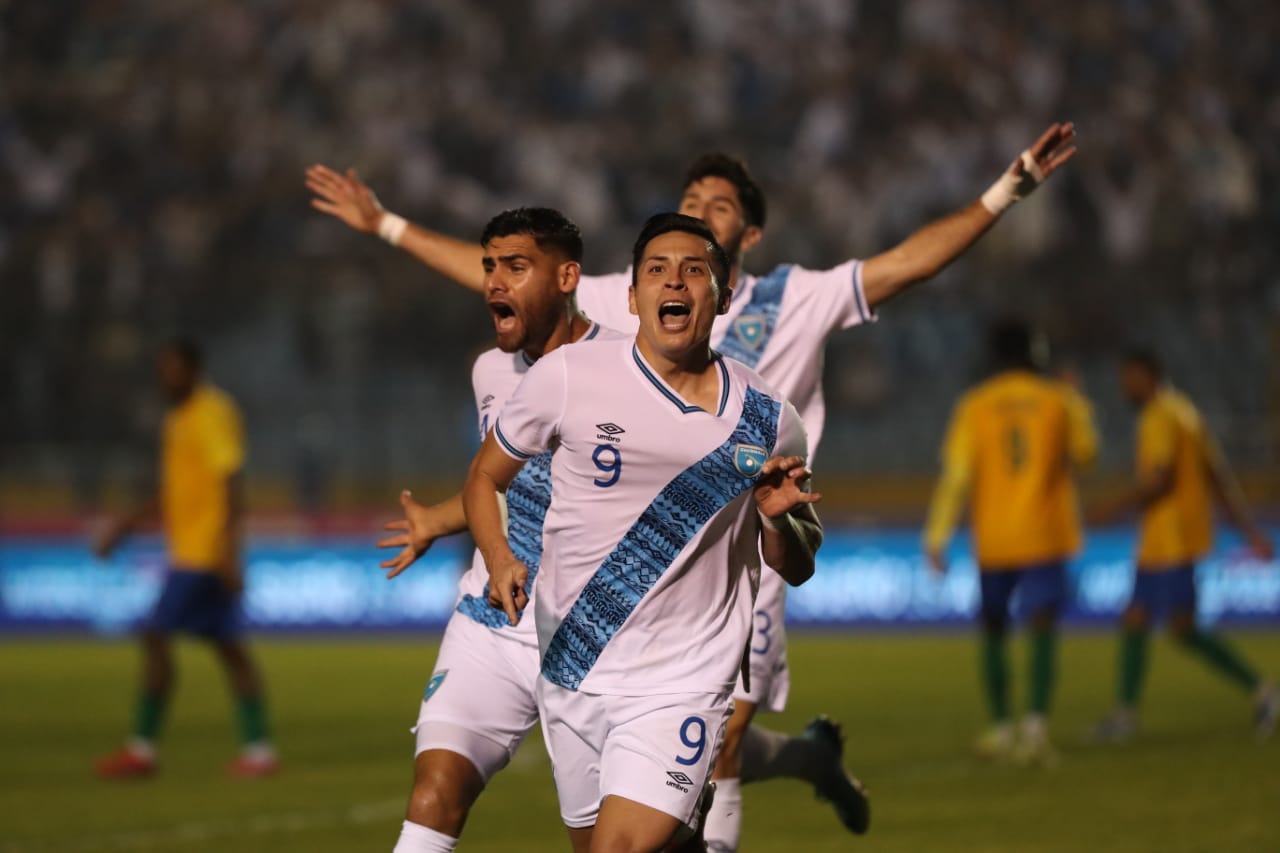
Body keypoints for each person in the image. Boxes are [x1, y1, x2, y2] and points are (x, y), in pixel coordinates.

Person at [306, 120, 1074, 848]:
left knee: (723, 742)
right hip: (587, 616)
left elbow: (909, 263)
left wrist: (1008, 188)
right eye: (687, 208)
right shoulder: (604, 332)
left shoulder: (794, 305)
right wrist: (388, 228)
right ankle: (804, 760)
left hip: (731, 557)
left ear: (740, 253)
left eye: (718, 211)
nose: (696, 219)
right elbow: (517, 288)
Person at [463, 213, 821, 853]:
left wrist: (776, 516)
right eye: (656, 270)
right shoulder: (569, 376)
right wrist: (498, 556)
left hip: (685, 676)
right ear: (633, 298)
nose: (673, 282)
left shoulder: (769, 419)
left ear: (723, 296)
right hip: (575, 659)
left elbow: (795, 564)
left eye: (693, 270)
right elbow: (484, 479)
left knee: (618, 849)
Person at [379, 207, 629, 853]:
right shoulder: (489, 371)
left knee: (606, 841)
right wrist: (455, 528)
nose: (494, 280)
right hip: (494, 615)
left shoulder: (627, 370)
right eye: (490, 265)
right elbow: (499, 480)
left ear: (567, 276)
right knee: (435, 792)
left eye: (516, 266)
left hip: (590, 636)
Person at [93, 339, 276, 778]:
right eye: (162, 369)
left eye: (173, 369)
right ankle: (260, 751)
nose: (165, 377)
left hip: (203, 555)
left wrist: (230, 552)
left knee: (156, 635)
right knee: (229, 648)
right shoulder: (176, 419)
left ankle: (142, 750)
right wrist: (125, 525)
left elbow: (231, 481)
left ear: (194, 369)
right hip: (193, 552)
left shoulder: (213, 412)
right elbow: (176, 491)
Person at [923, 321, 1098, 764]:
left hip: (996, 537)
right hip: (1045, 533)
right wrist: (1077, 399)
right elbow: (1087, 454)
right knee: (1042, 628)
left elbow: (958, 475)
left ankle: (1001, 727)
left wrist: (938, 534)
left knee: (994, 631)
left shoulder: (976, 404)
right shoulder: (1058, 400)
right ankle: (1036, 728)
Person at [1091, 350, 1279, 741]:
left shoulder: (1160, 416)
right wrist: (1251, 532)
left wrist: (1110, 508)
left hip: (1170, 541)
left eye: (1130, 377)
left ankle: (1263, 691)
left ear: (1148, 375)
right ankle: (1125, 714)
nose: (1125, 386)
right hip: (1172, 540)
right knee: (1140, 618)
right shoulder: (1187, 413)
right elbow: (1218, 476)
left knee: (1180, 627)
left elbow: (1159, 480)